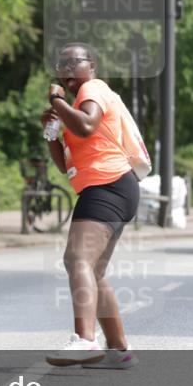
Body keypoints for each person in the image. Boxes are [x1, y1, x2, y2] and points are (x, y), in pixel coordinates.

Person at [41, 43, 139, 369]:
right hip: (112, 186)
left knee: (76, 258)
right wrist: (52, 135)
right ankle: (118, 350)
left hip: (107, 185)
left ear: (91, 66)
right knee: (94, 270)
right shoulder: (76, 105)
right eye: (61, 63)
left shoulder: (93, 89)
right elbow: (63, 165)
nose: (66, 69)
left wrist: (56, 100)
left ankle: (84, 339)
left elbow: (86, 125)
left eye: (74, 62)